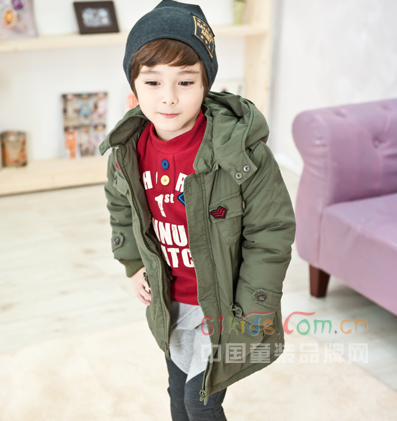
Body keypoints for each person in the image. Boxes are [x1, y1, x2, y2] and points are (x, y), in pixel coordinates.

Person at [99, 1, 296, 420]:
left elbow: (271, 232)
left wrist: (254, 308)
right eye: (153, 82)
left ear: (205, 84)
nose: (168, 97)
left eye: (185, 81)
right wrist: (133, 263)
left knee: (199, 400)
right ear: (134, 87)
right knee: (177, 392)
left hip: (224, 305)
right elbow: (120, 206)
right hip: (171, 301)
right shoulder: (127, 151)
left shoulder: (241, 155)